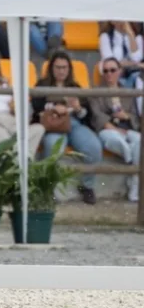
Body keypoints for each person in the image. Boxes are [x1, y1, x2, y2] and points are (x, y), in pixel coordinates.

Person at [32, 50, 104, 204]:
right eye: (58, 67)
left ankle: (87, 186)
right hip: (53, 125)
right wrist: (54, 107)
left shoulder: (75, 86)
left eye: (64, 67)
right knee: (52, 146)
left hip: (74, 123)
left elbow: (86, 115)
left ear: (69, 69)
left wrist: (77, 108)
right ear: (51, 68)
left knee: (93, 146)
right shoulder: (43, 84)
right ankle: (48, 188)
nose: (61, 71)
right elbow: (36, 106)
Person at [90, 56, 142, 202]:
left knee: (139, 140)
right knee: (114, 138)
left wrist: (126, 116)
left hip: (127, 129)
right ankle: (132, 160)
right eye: (105, 71)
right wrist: (112, 126)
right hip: (108, 129)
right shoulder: (96, 92)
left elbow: (135, 117)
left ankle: (134, 187)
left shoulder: (127, 92)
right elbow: (97, 115)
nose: (109, 74)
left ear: (119, 71)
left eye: (112, 70)